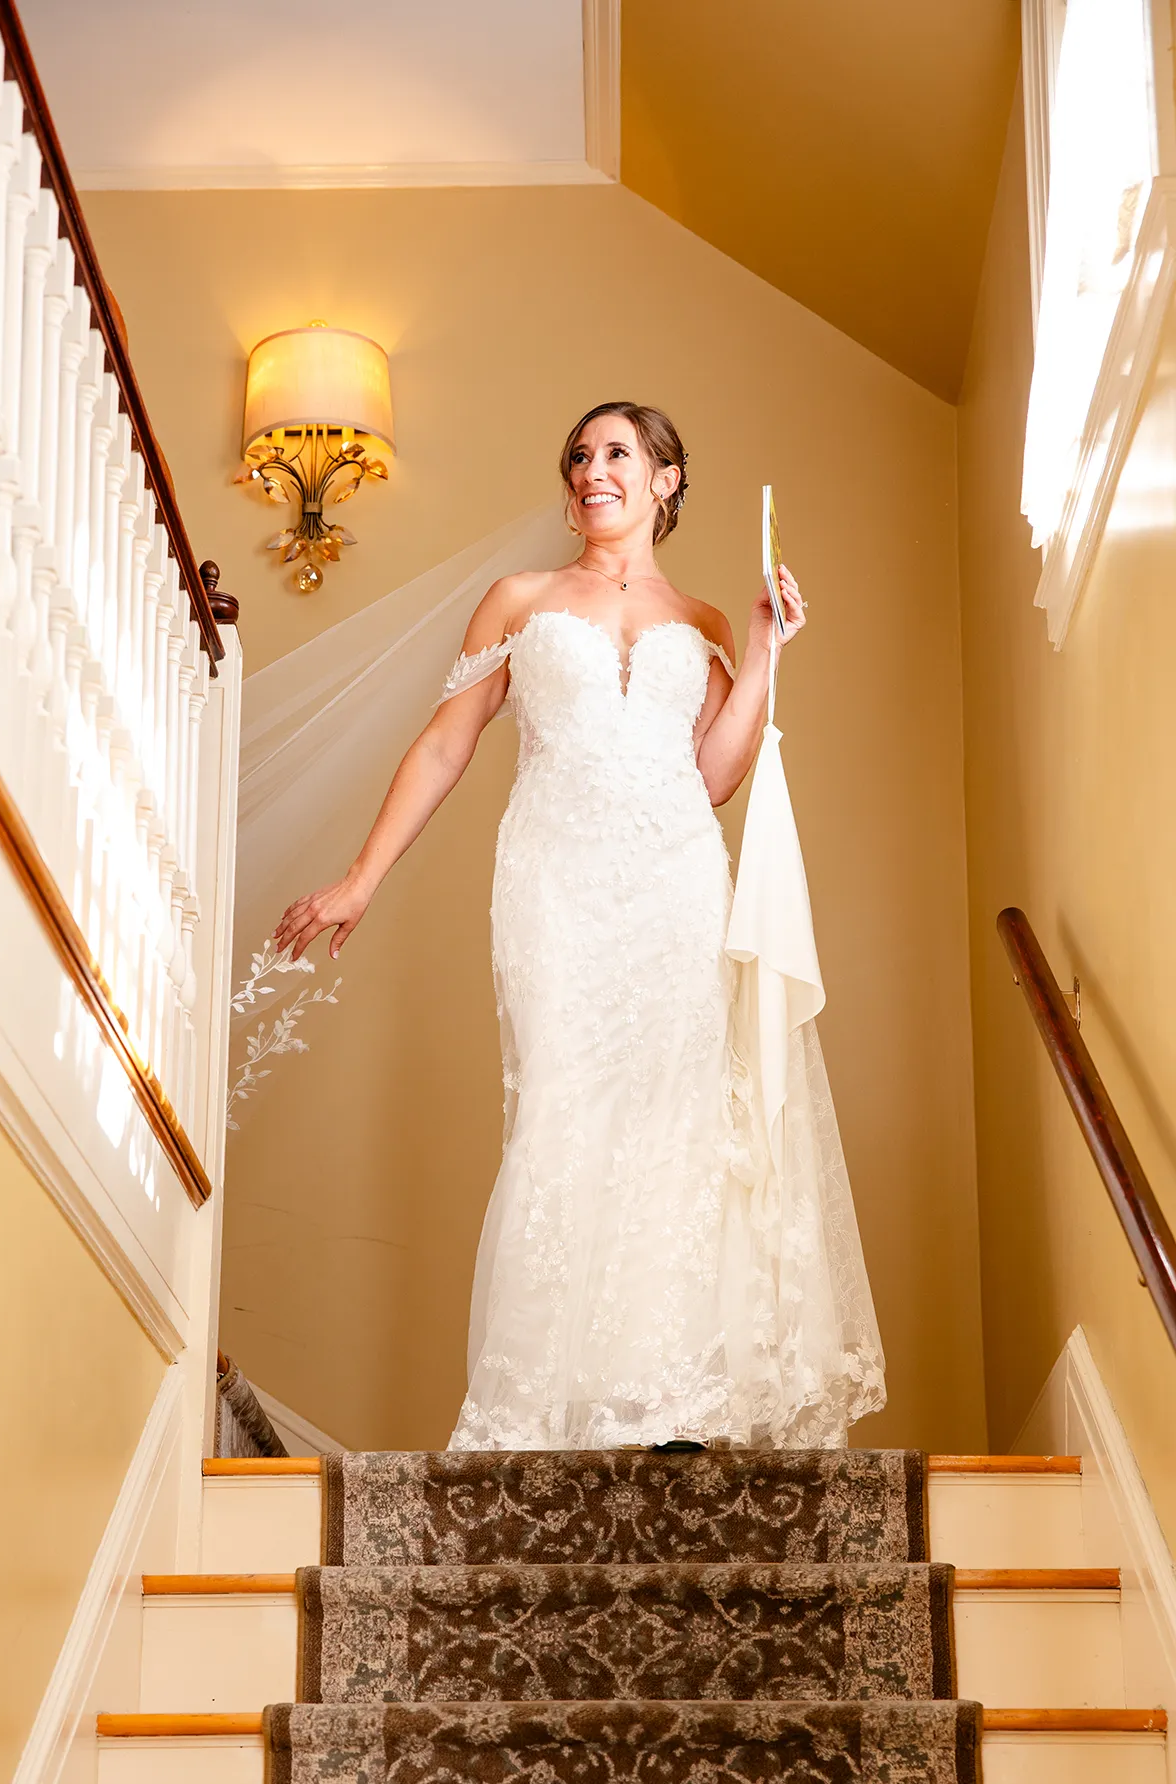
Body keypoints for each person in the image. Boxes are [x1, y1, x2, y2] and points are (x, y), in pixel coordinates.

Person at [275, 401, 885, 1450]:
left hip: (674, 886)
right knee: (561, 1107)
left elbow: (714, 777)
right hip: (554, 882)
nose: (590, 470)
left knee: (677, 1123)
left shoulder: (696, 624)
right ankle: (544, 1407)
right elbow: (444, 744)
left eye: (616, 453)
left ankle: (670, 1404)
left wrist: (759, 645)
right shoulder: (517, 599)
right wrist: (361, 877)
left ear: (665, 479)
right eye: (578, 455)